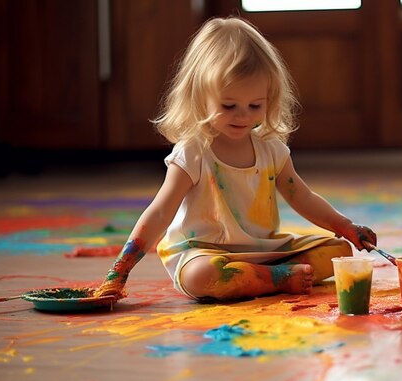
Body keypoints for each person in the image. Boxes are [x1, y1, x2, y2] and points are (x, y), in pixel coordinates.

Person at [93, 16, 377, 302]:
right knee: (200, 277)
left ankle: (265, 276)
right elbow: (159, 213)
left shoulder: (271, 149)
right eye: (228, 106)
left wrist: (345, 226)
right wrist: (120, 270)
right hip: (204, 252)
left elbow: (302, 197)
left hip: (264, 251)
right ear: (200, 96)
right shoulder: (193, 152)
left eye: (255, 105)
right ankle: (275, 279)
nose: (243, 115)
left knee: (337, 252)